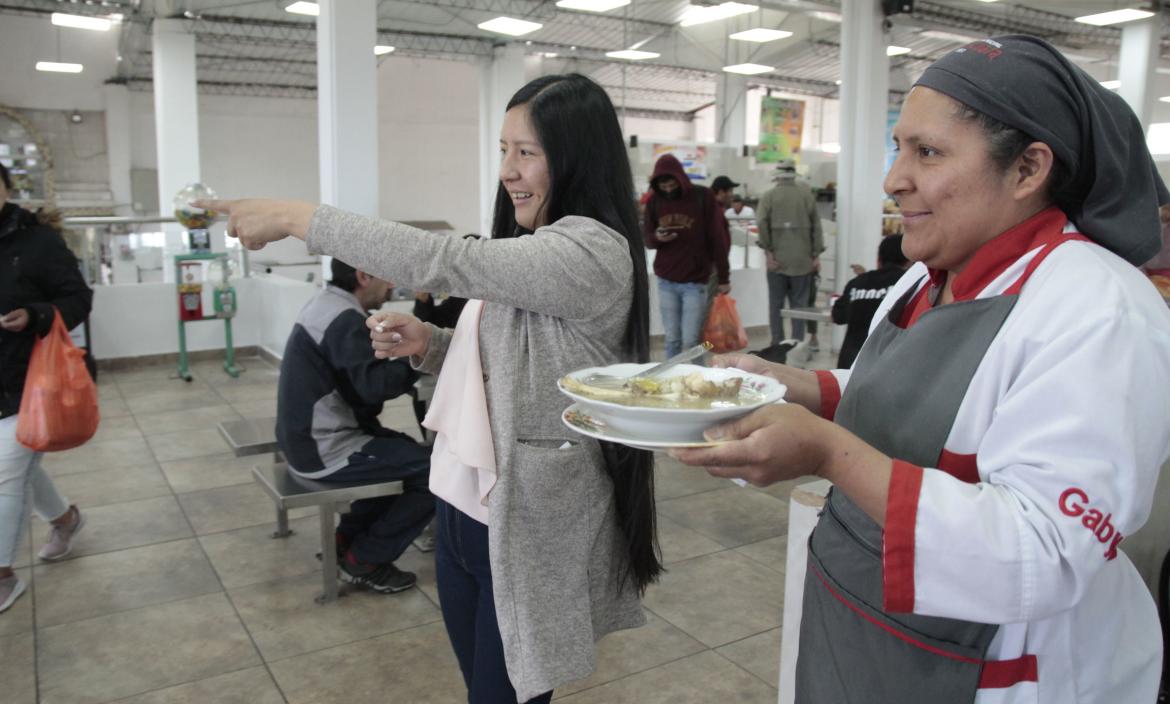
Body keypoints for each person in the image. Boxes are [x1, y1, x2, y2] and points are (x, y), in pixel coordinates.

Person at [672, 35, 1170, 703]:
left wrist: (828, 454)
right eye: (898, 146)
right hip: (864, 623)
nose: (892, 178)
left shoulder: (1100, 311)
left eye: (927, 153)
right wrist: (802, 387)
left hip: (993, 667)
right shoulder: (927, 275)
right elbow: (922, 398)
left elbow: (1043, 552)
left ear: (1027, 169)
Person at [199, 73, 661, 704]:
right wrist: (431, 345)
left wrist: (296, 217)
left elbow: (446, 260)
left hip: (519, 518)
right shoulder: (530, 250)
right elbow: (511, 359)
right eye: (503, 149)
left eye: (527, 152)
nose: (508, 169)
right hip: (458, 500)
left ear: (577, 154)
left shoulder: (591, 252)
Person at [277, 258, 434, 593]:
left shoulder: (326, 305)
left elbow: (360, 387)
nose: (392, 286)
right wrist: (421, 352)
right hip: (322, 450)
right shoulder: (344, 319)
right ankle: (366, 559)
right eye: (387, 277)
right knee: (434, 472)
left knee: (404, 453)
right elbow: (374, 389)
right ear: (363, 276)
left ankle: (345, 539)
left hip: (304, 441)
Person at [0, 161, 92, 613]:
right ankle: (65, 519)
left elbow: (78, 298)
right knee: (20, 469)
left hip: (27, 379)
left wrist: (35, 315)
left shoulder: (36, 242)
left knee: (6, 474)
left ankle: (1, 574)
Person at [643, 155, 731, 358]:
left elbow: (717, 237)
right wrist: (657, 238)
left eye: (671, 184)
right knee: (672, 339)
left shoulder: (702, 197)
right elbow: (648, 239)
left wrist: (724, 277)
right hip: (666, 281)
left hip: (695, 281)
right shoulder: (654, 202)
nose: (667, 189)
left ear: (679, 177)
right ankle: (669, 383)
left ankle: (699, 382)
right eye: (662, 186)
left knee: (692, 340)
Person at [756, 159, 824, 349]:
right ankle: (797, 345)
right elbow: (817, 227)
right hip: (803, 261)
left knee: (776, 306)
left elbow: (761, 223)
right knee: (799, 307)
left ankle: (777, 344)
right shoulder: (806, 195)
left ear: (777, 176)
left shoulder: (768, 196)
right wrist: (816, 254)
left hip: (777, 261)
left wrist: (768, 252)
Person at [830, 235, 909, 368]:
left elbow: (838, 316)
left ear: (878, 260)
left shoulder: (857, 283)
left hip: (849, 366)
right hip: (887, 368)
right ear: (909, 261)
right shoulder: (909, 284)